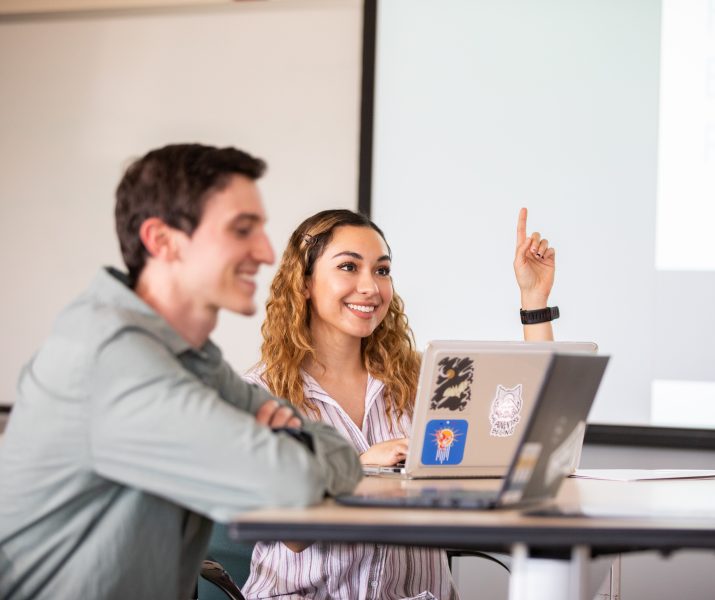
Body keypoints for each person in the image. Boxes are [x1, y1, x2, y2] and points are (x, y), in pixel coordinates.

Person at [0, 144, 362, 600]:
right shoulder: (111, 360)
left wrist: (288, 444)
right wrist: (291, 448)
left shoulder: (191, 358)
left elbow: (344, 458)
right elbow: (290, 486)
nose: (267, 253)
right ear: (162, 240)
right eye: (241, 230)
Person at [240, 208, 556, 599]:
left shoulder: (424, 380)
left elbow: (537, 424)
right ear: (303, 282)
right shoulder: (262, 392)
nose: (371, 287)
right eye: (349, 267)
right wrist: (355, 471)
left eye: (382, 270)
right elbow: (288, 534)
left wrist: (534, 300)